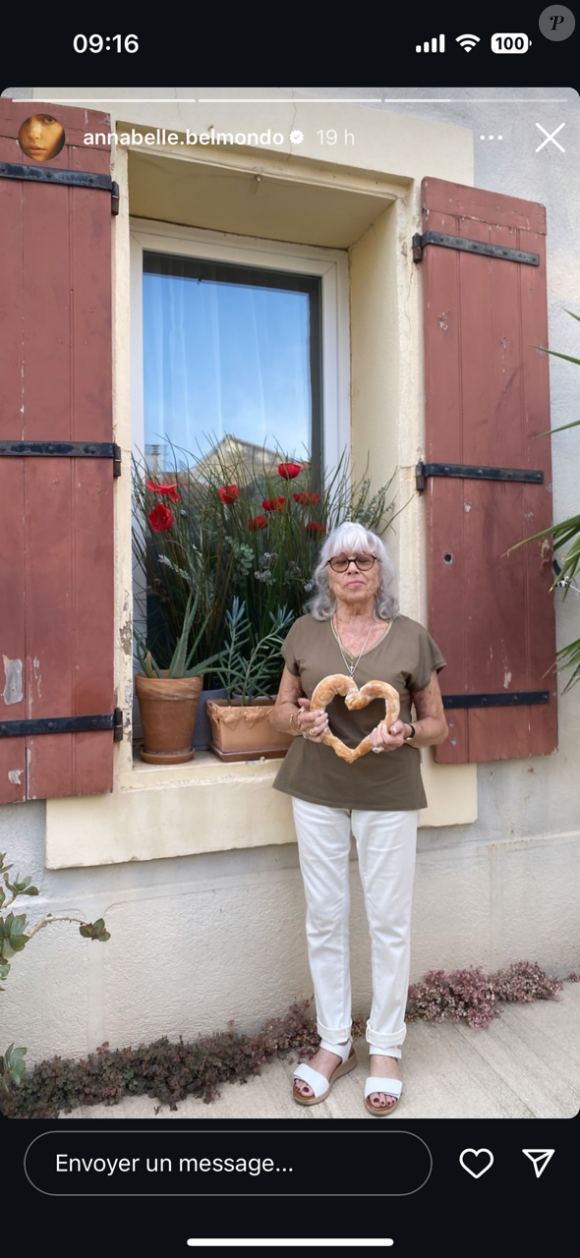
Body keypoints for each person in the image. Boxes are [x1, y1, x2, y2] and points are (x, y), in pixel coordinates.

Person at [270, 520, 448, 1115]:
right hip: (315, 788)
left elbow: (438, 726)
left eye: (364, 561)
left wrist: (405, 733)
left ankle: (387, 1047)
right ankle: (335, 1042)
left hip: (389, 792)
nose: (352, 570)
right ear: (326, 572)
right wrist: (302, 721)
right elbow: (278, 713)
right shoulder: (304, 632)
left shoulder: (411, 637)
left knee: (388, 920)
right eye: (341, 561)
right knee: (324, 916)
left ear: (380, 573)